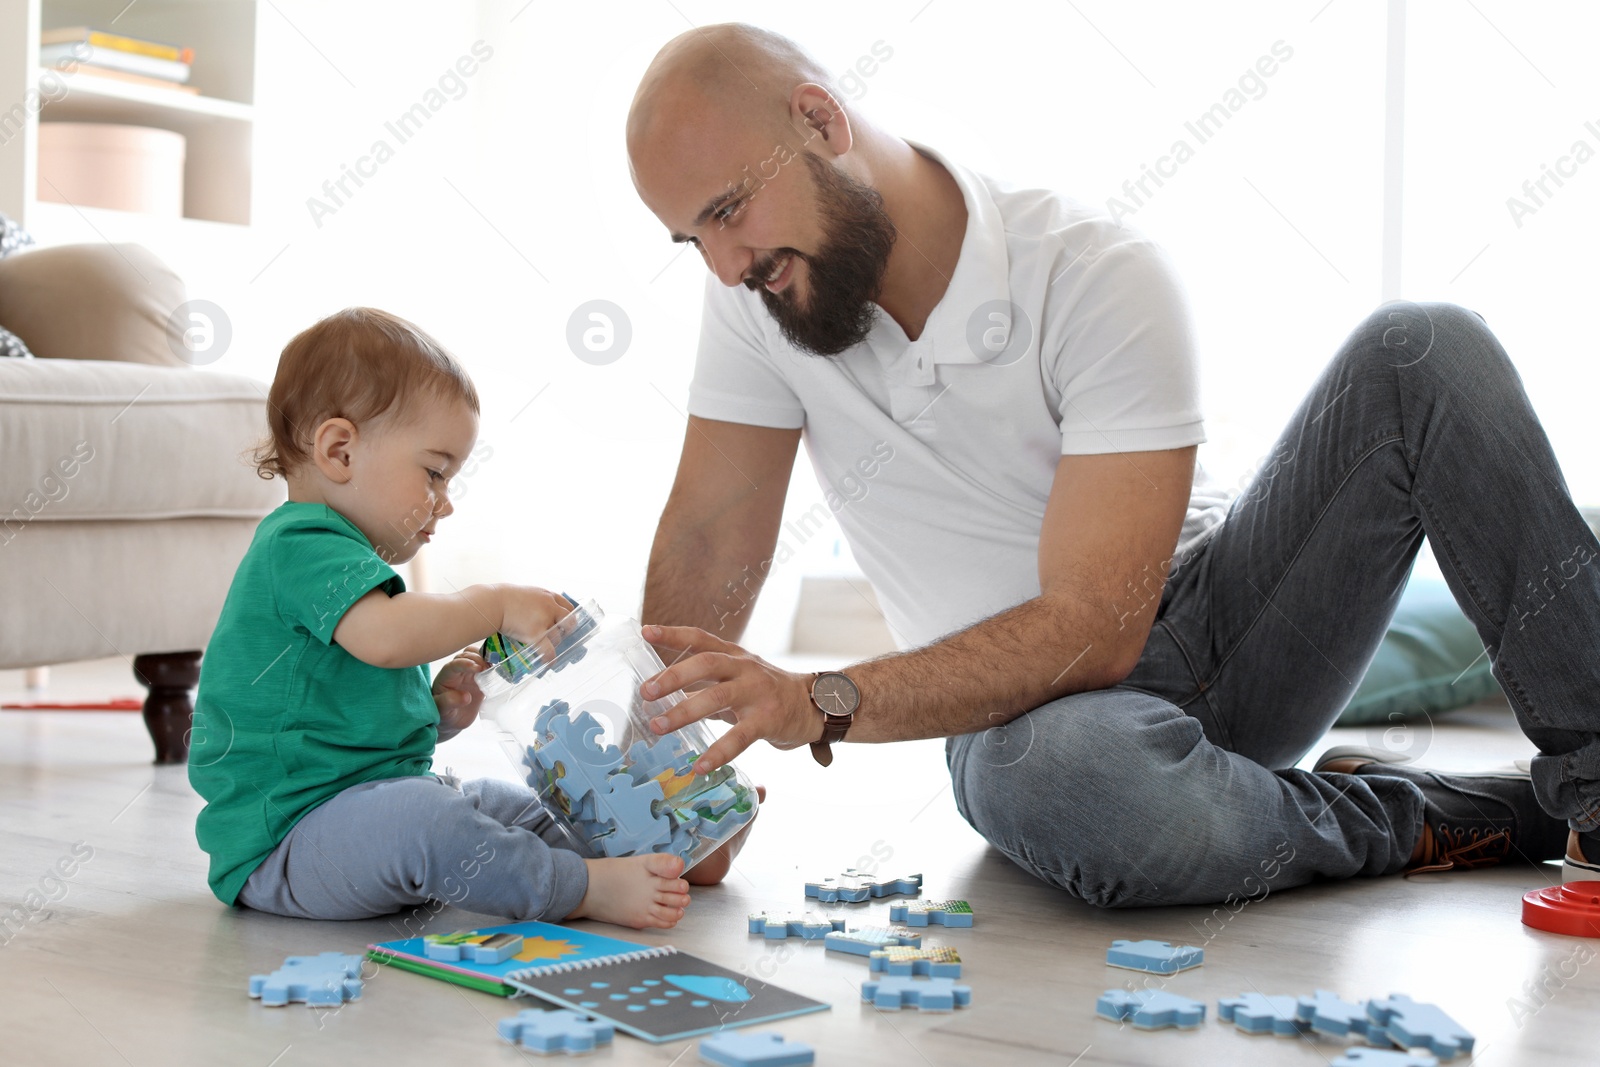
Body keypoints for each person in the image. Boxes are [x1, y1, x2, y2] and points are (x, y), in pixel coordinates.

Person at [623, 23, 1597, 908]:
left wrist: (820, 700)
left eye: (728, 210)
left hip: (1221, 622)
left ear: (820, 120)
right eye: (691, 237)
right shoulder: (754, 299)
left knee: (1419, 347)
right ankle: (1431, 814)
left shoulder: (1091, 271)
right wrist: (650, 806)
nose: (721, 264)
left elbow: (1097, 627)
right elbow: (712, 535)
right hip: (1018, 719)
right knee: (1063, 781)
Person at [188, 307, 710, 928]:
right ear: (339, 450)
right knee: (433, 821)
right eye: (434, 472)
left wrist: (437, 714)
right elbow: (385, 641)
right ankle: (581, 888)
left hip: (364, 810)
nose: (447, 501)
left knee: (513, 807)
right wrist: (493, 604)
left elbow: (345, 722)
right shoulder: (301, 544)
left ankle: (664, 842)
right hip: (287, 843)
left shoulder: (348, 565)